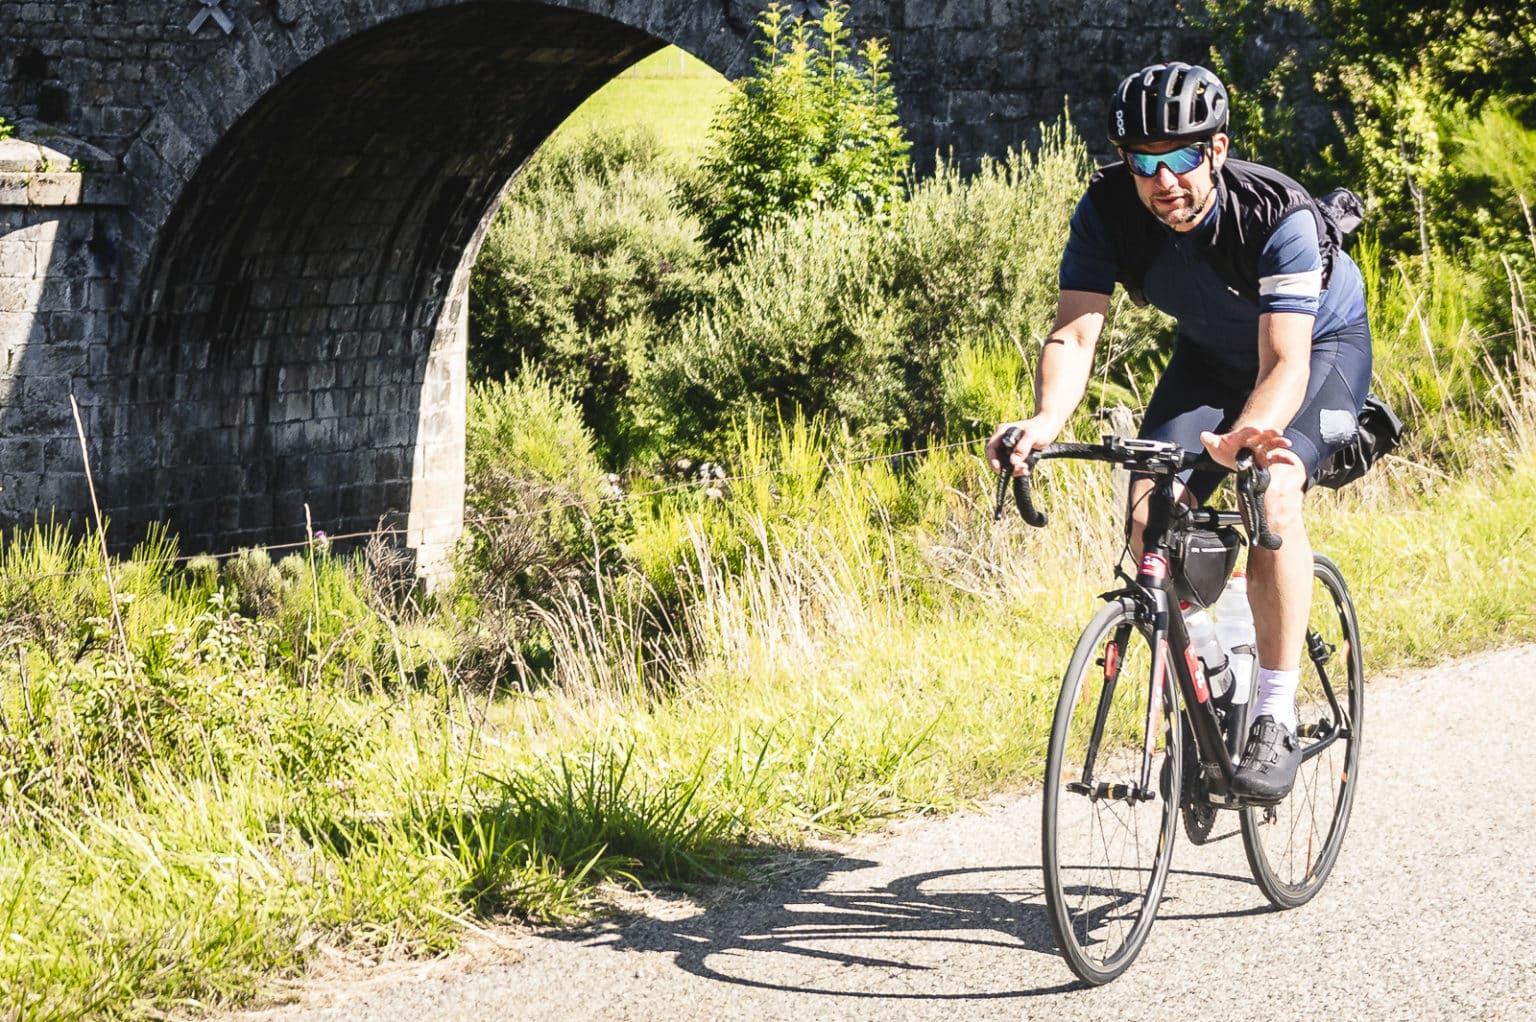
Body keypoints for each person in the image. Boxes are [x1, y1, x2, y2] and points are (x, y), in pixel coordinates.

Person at [986, 61, 1372, 802]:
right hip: (1209, 358)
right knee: (1148, 518)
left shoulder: (1277, 215)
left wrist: (1248, 436)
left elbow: (1285, 363)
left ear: (1217, 149)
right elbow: (1075, 332)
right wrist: (1044, 420)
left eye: (1183, 157)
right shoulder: (1108, 209)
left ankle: (1274, 714)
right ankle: (1215, 677)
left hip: (1318, 352)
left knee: (1272, 494)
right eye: (1144, 161)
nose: (1164, 180)